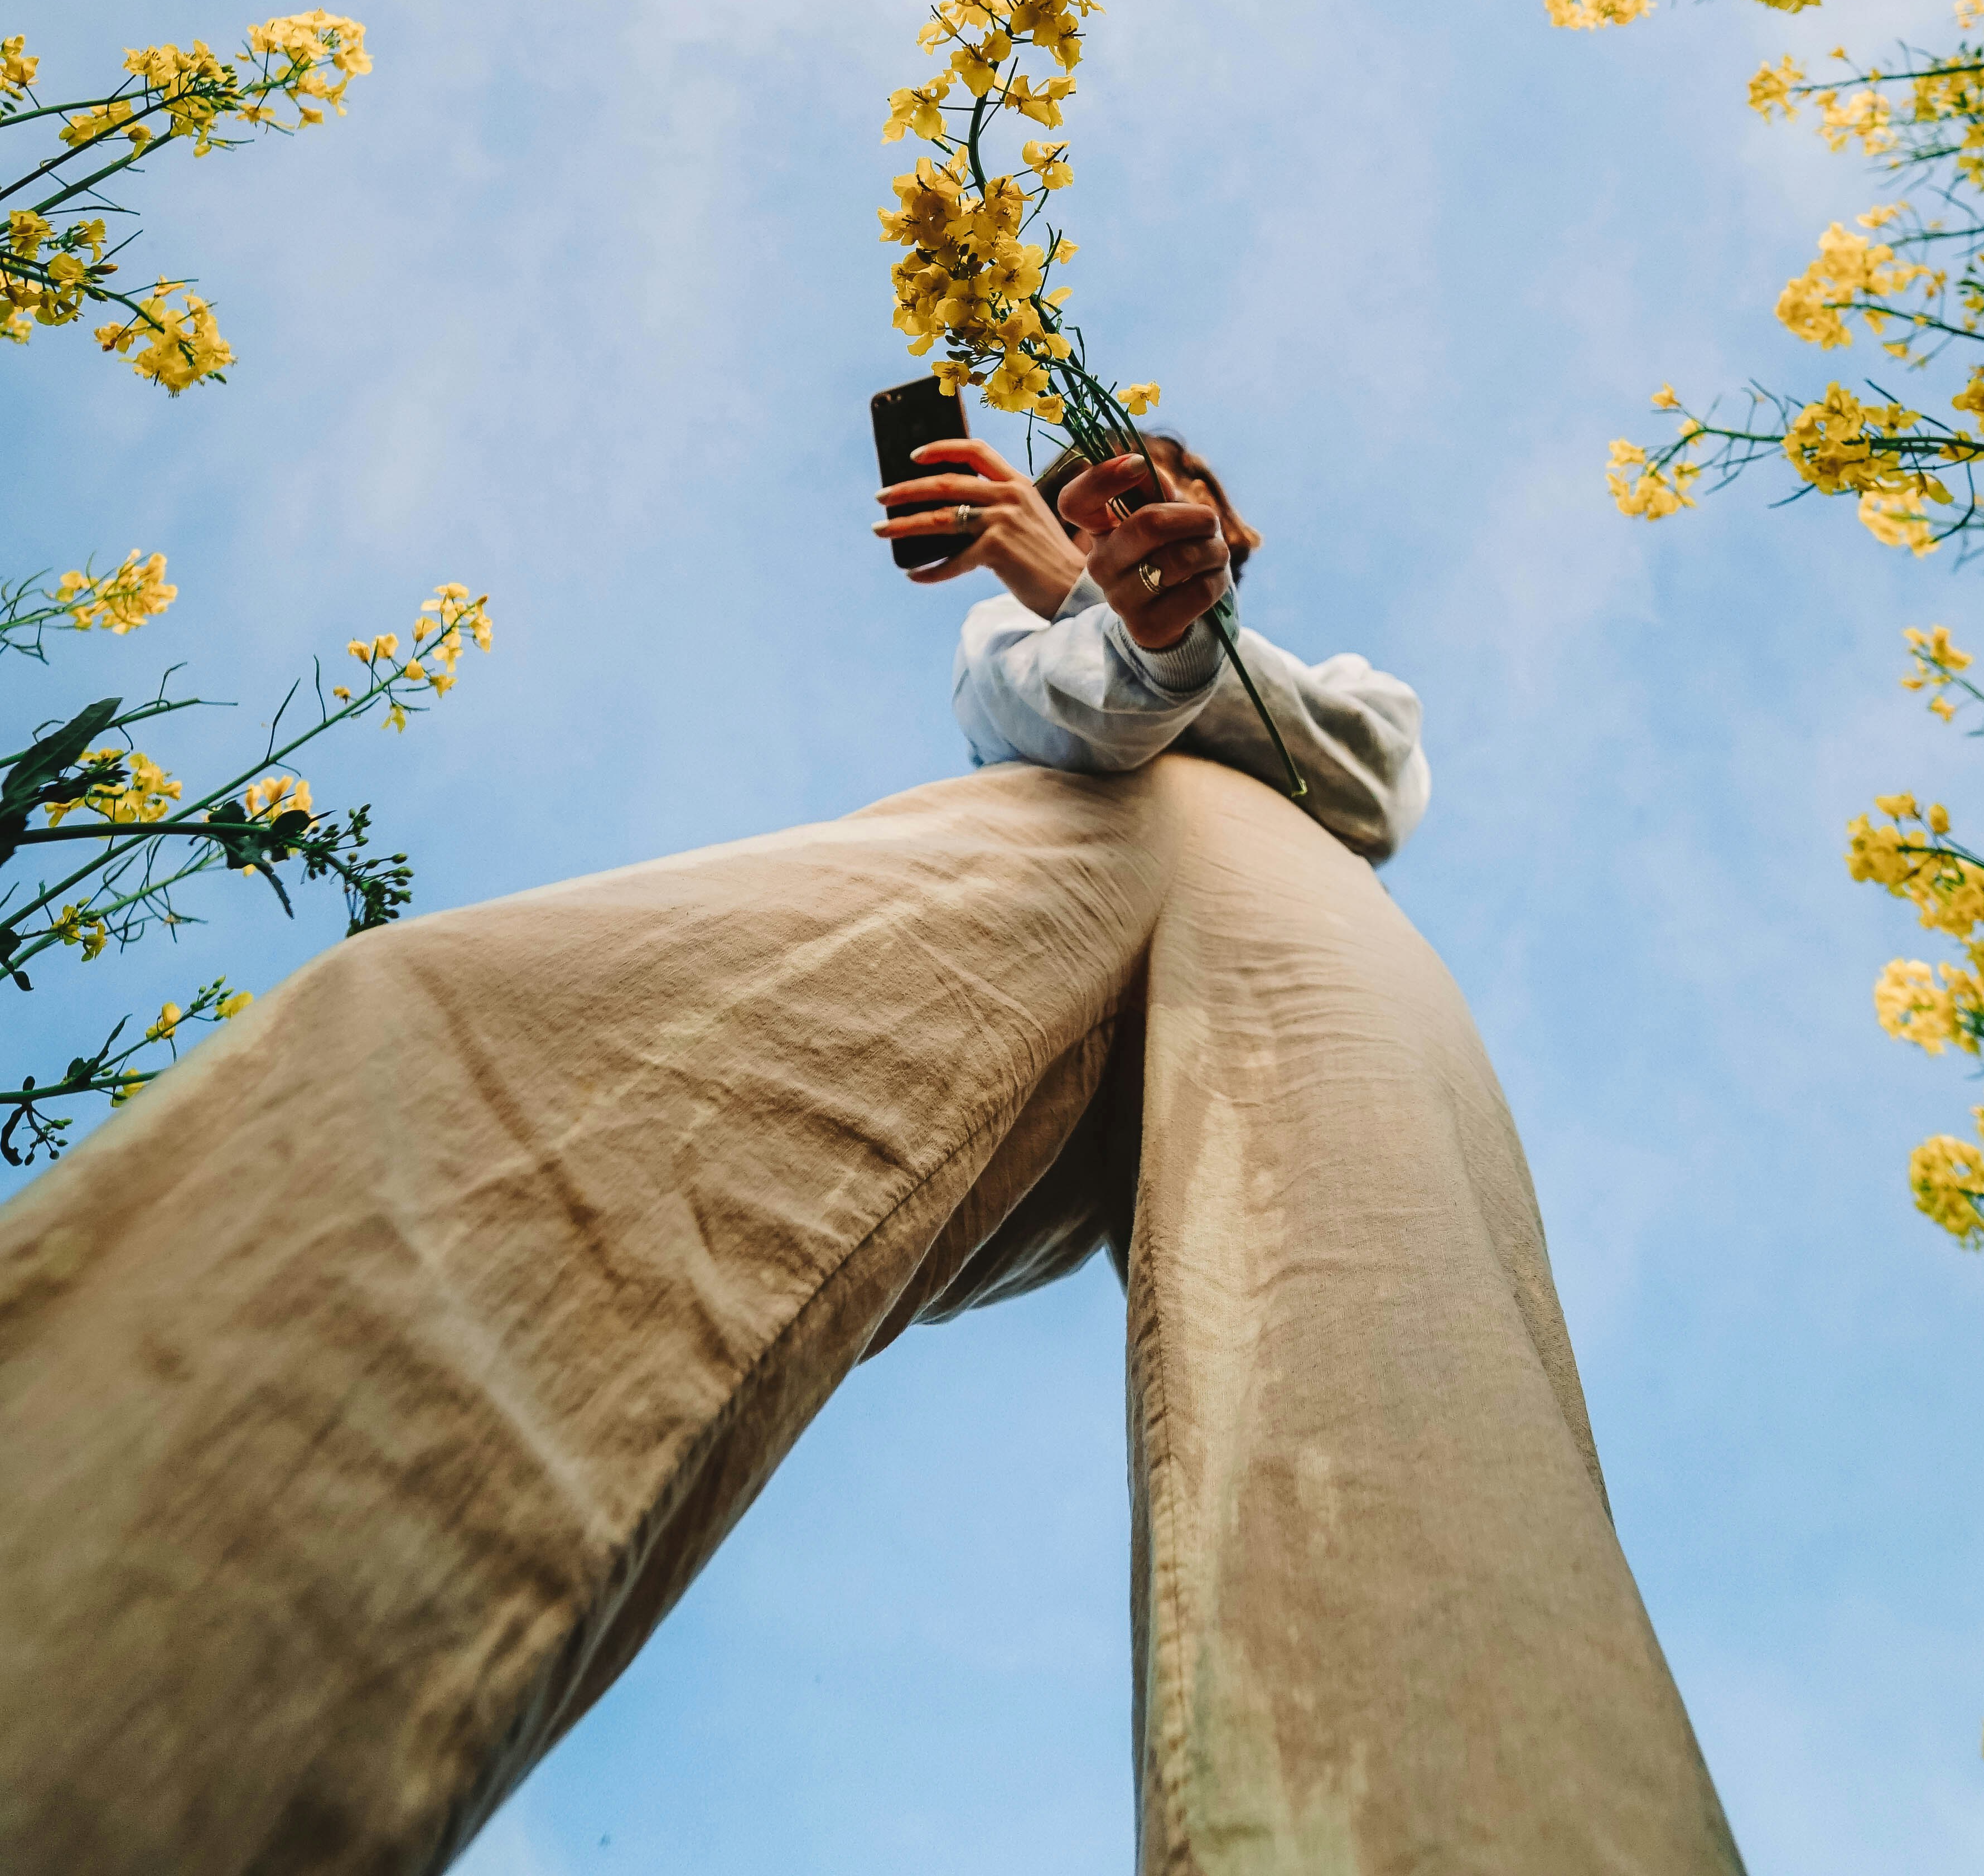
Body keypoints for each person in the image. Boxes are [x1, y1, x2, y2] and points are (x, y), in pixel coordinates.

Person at [0, 415, 1746, 1876]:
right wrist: (1104, 617)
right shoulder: (1009, 647)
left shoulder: (1339, 677)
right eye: (1067, 505)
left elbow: (1359, 785)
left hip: (1302, 925)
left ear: (1230, 520)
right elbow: (1060, 727)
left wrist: (1155, 614)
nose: (1099, 520)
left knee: (1385, 1334)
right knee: (490, 1027)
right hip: (1029, 862)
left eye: (1141, 495)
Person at [873, 425, 1430, 863]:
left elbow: (1380, 797)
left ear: (1211, 511)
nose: (1125, 523)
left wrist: (1082, 592)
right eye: (1085, 518)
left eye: (1138, 490)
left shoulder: (1352, 684)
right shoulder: (1003, 630)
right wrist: (1136, 630)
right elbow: (1056, 723)